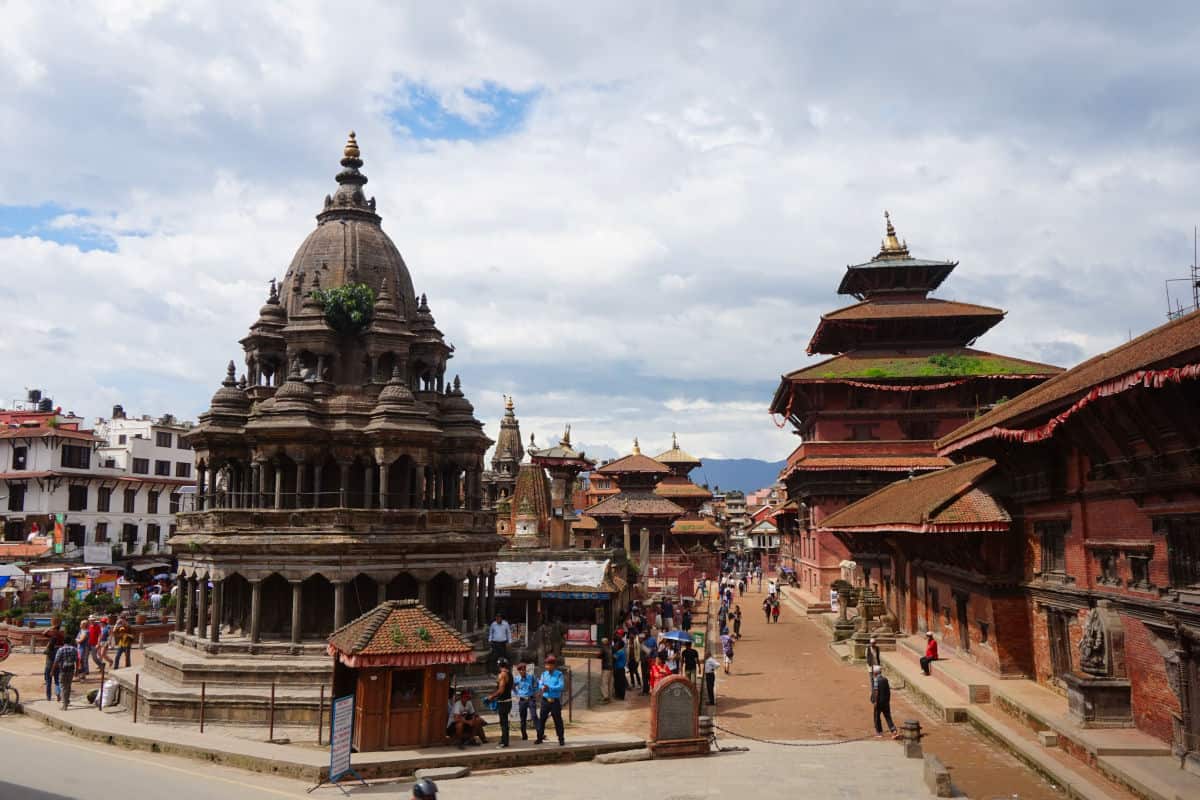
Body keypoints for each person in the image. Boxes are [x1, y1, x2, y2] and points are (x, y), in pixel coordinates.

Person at [535, 655, 566, 746]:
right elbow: (540, 684)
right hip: (545, 700)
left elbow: (561, 686)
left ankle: (561, 738)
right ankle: (539, 738)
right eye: (546, 665)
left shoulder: (559, 674)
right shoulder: (544, 674)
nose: (548, 666)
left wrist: (550, 688)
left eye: (549, 665)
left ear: (553, 665)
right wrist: (542, 687)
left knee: (558, 720)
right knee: (542, 720)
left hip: (554, 701)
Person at [486, 658, 513, 748]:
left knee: (503, 722)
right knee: (505, 722)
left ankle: (504, 742)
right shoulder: (510, 674)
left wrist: (492, 696)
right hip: (508, 701)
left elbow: (501, 690)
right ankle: (504, 739)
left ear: (499, 666)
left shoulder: (502, 675)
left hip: (503, 701)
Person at [870, 665, 898, 738]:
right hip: (885, 702)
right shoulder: (885, 679)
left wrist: (875, 702)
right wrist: (888, 700)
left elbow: (876, 692)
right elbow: (888, 692)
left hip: (879, 702)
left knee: (876, 717)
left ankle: (879, 732)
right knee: (888, 717)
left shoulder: (876, 680)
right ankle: (893, 730)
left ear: (875, 673)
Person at [41, 621, 65, 701]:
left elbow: (44, 633)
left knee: (48, 681)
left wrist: (49, 628)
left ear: (55, 629)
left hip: (50, 663)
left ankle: (48, 697)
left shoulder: (53, 638)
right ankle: (58, 694)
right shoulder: (61, 636)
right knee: (57, 681)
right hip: (58, 663)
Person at [53, 637, 79, 710]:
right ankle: (67, 701)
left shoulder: (61, 649)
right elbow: (77, 660)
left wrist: (52, 670)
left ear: (63, 642)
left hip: (63, 670)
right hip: (71, 669)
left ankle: (64, 705)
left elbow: (56, 661)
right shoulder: (74, 649)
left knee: (63, 687)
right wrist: (77, 670)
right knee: (68, 686)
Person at [513, 662, 535, 740]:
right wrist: (517, 693)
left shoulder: (531, 677)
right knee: (523, 718)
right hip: (522, 699)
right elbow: (513, 686)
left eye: (524, 670)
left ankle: (540, 734)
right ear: (519, 671)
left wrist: (535, 691)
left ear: (526, 670)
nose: (522, 671)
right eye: (521, 670)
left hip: (530, 698)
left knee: (534, 716)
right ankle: (524, 735)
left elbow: (536, 684)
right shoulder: (517, 679)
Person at [599, 637, 613, 703]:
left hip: (606, 668)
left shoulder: (603, 649)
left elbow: (599, 655)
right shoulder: (610, 648)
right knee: (609, 683)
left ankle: (605, 697)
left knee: (604, 683)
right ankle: (609, 697)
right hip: (611, 667)